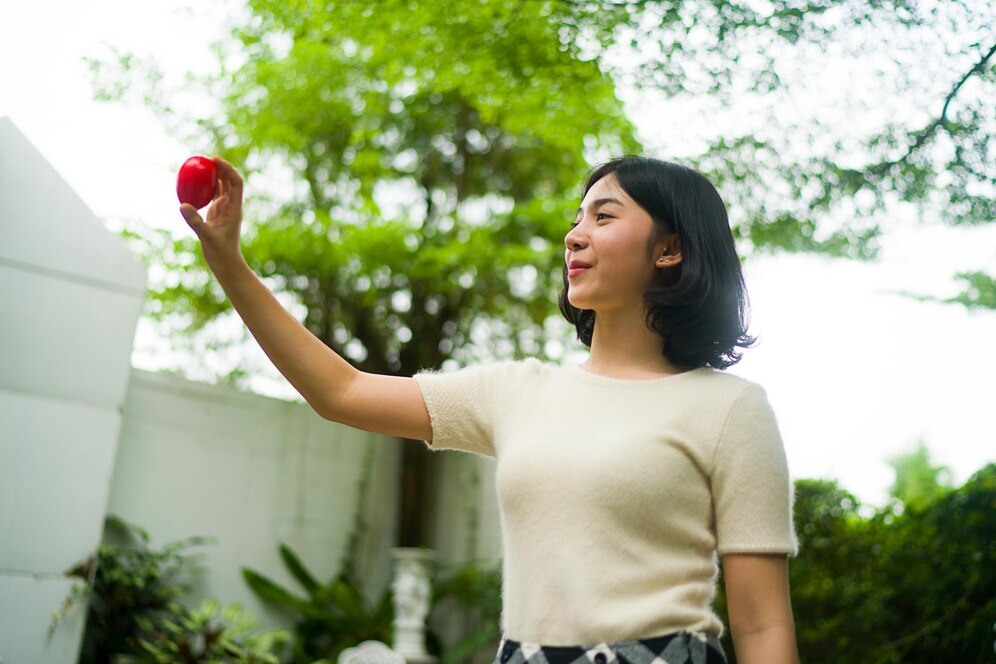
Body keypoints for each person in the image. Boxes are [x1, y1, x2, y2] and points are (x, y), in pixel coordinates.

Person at [180, 154, 799, 664]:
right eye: (576, 218)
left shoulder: (731, 409)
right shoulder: (517, 391)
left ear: (669, 249)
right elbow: (340, 393)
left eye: (603, 217)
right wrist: (230, 265)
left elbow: (762, 625)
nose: (574, 234)